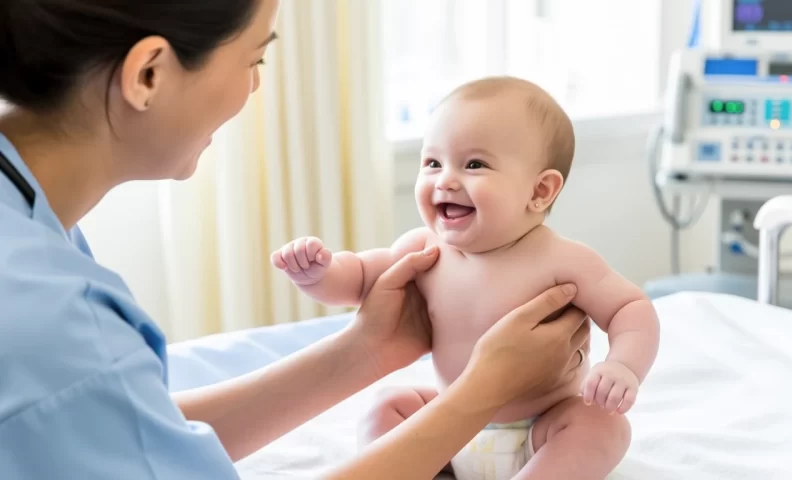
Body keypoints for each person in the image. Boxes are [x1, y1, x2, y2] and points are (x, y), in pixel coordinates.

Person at [0, 1, 592, 479]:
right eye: (254, 60)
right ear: (148, 74)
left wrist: (365, 351)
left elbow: (112, 434)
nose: (253, 88)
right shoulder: (51, 324)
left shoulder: (27, 220)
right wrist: (481, 392)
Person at [273, 76, 661, 479]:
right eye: (432, 163)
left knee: (602, 425)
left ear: (540, 191)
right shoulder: (424, 249)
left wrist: (624, 366)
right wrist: (319, 272)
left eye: (474, 164)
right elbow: (358, 280)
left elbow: (630, 308)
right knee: (387, 405)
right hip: (445, 428)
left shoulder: (563, 260)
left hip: (540, 428)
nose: (445, 180)